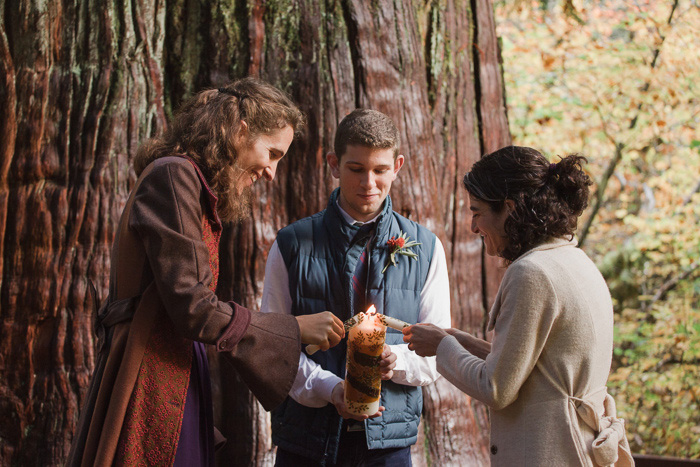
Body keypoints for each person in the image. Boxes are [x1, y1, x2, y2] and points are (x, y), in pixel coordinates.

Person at [67, 78, 345, 467]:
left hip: (174, 364)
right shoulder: (173, 175)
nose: (271, 172)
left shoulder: (190, 184)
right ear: (241, 131)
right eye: (272, 152)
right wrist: (294, 329)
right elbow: (192, 305)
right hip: (149, 369)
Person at [403, 146, 634, 466]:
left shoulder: (532, 273)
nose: (473, 227)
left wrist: (442, 347)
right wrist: (456, 338)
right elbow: (535, 368)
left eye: (477, 212)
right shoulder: (572, 258)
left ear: (509, 209)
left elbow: (497, 387)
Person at [261, 109, 451, 466]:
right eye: (356, 169)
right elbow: (274, 344)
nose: (369, 183)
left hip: (388, 445)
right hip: (306, 438)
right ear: (334, 164)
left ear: (397, 166)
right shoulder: (292, 244)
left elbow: (437, 348)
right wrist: (330, 388)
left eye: (380, 170)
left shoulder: (426, 247)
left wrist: (397, 362)